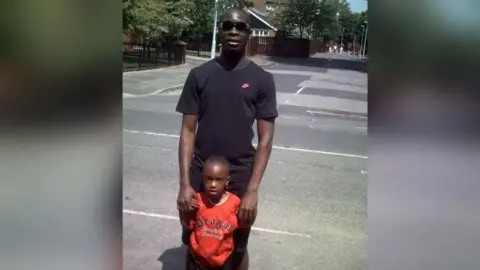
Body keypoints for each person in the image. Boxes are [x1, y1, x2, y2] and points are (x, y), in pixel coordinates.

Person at [175, 6, 278, 270]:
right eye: (228, 26)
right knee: (195, 241)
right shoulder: (200, 75)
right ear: (220, 31)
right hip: (202, 172)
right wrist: (185, 184)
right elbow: (187, 131)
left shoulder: (262, 80)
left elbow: (265, 140)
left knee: (239, 245)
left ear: (249, 33)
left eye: (240, 27)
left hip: (241, 174)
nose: (234, 31)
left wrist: (253, 190)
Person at [180, 156, 244, 270]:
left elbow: (244, 225)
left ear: (227, 181)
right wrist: (184, 211)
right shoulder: (197, 200)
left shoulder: (235, 203)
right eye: (208, 179)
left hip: (223, 261)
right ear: (203, 179)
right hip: (197, 260)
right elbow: (188, 225)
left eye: (218, 180)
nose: (213, 184)